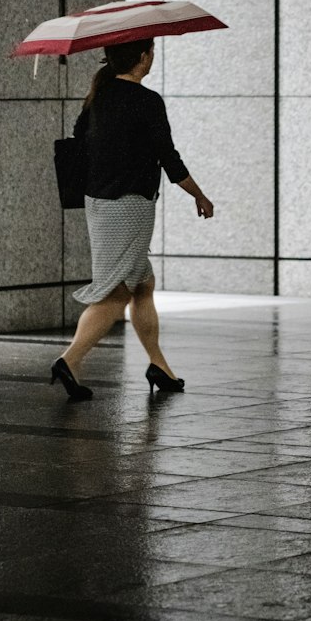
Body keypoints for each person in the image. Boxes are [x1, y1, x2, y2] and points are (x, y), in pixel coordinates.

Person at [50, 36, 214, 402]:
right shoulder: (146, 101)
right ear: (142, 57)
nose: (153, 56)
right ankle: (69, 359)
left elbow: (82, 141)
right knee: (117, 290)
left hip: (100, 202)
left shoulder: (99, 97)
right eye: (152, 51)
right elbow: (168, 157)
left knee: (142, 283)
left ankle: (159, 365)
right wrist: (199, 195)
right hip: (130, 206)